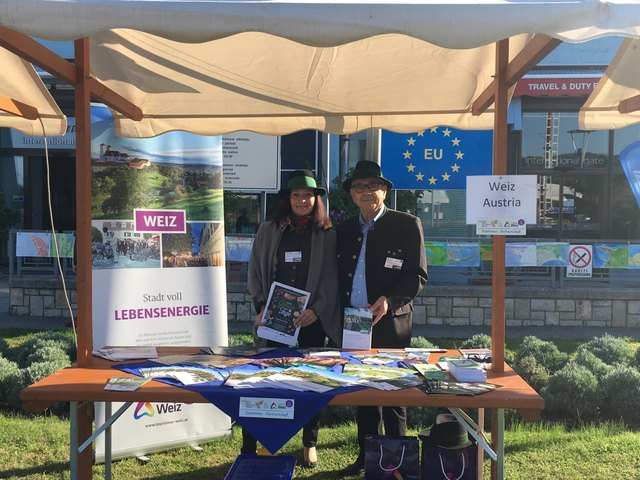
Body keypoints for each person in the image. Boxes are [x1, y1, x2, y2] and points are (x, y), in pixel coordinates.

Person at [242, 169, 341, 468]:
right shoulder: (268, 231)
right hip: (273, 321)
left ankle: (309, 443)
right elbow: (255, 272)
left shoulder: (327, 234)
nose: (302, 200)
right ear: (288, 198)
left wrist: (318, 310)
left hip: (309, 322)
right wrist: (262, 306)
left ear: (316, 199)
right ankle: (253, 442)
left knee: (312, 383)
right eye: (296, 194)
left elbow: (332, 279)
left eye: (308, 195)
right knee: (262, 382)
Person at [336, 160, 428, 477]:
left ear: (384, 190)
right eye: (359, 187)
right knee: (364, 394)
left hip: (391, 323)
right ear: (351, 194)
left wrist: (390, 300)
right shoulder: (345, 229)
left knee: (394, 396)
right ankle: (367, 457)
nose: (366, 192)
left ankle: (398, 460)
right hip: (354, 324)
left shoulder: (406, 224)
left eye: (372, 186)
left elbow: (418, 275)